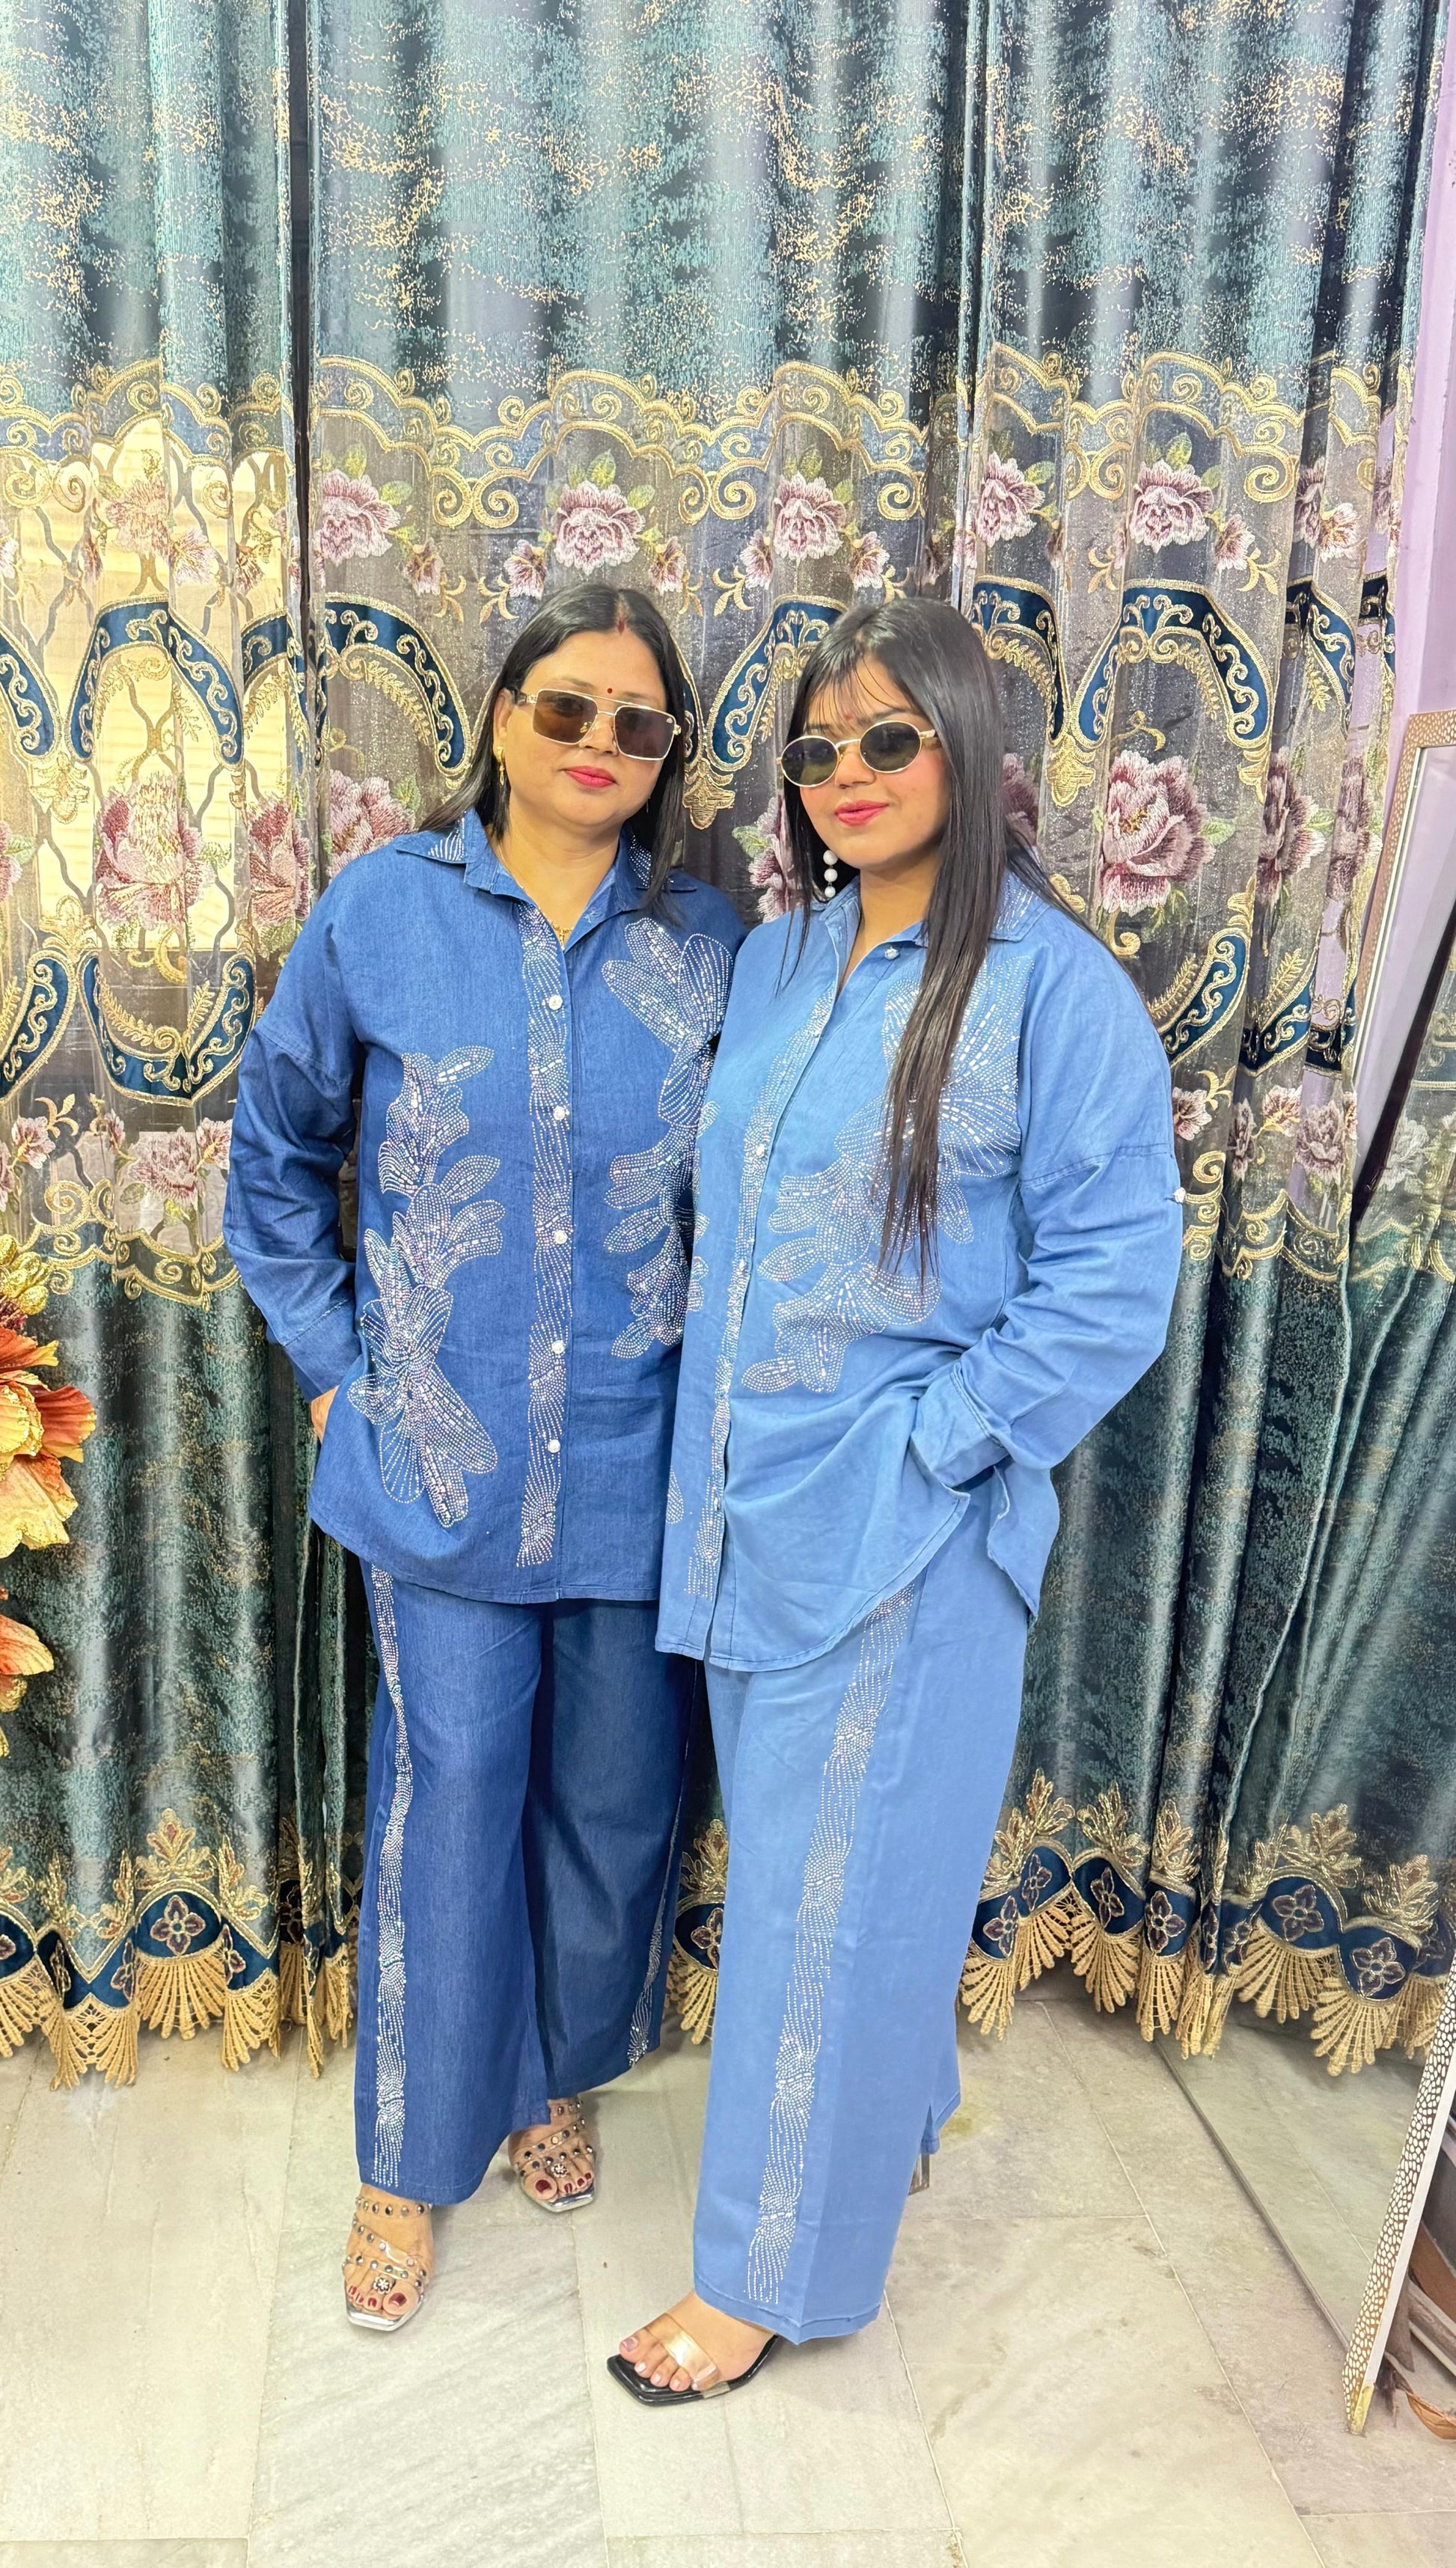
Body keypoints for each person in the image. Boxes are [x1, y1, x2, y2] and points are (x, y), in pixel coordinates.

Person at [611, 596, 1182, 2403]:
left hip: (901, 1535)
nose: (844, 775)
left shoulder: (1050, 992)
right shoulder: (781, 962)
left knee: (821, 1916)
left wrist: (930, 1441)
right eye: (814, 748)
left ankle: (766, 2277)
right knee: (824, 1887)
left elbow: (1113, 1279)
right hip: (738, 1515)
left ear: (965, 745)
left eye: (885, 739)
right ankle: (880, 2133)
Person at [224, 583, 744, 2331]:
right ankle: (408, 2156)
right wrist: (332, 1375)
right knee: (449, 1793)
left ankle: (547, 2075)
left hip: (638, 1471)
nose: (598, 743)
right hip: (437, 1466)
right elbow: (273, 1158)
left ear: (668, 755)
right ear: (504, 716)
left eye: (637, 723)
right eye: (565, 706)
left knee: (612, 1802)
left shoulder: (711, 944)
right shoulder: (383, 912)